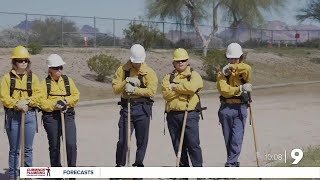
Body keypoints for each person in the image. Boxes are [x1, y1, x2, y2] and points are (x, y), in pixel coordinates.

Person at [112, 44, 158, 167]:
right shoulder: (122, 70)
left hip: (143, 109)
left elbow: (152, 91)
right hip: (127, 108)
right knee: (123, 140)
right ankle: (120, 166)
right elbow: (116, 89)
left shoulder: (149, 72)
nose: (137, 64)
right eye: (135, 62)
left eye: (139, 62)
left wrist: (135, 91)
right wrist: (125, 82)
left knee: (142, 141)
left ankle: (138, 165)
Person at [0, 46, 41, 180]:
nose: (23, 63)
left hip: (29, 116)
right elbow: (4, 97)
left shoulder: (33, 78)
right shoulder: (7, 78)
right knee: (15, 150)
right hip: (13, 116)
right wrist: (16, 104)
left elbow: (38, 95)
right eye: (20, 60)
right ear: (14, 62)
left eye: (26, 60)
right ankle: (13, 176)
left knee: (28, 149)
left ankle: (27, 176)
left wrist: (28, 102)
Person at [162, 48, 204, 167]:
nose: (181, 62)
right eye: (178, 60)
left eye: (183, 60)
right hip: (172, 116)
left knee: (193, 144)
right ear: (174, 62)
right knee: (178, 145)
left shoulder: (194, 75)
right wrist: (183, 90)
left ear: (187, 61)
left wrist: (175, 87)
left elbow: (191, 89)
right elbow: (166, 94)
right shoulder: (168, 77)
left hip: (190, 114)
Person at [40, 54, 80, 174]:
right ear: (50, 69)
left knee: (71, 144)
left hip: (67, 114)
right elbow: (41, 101)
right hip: (51, 116)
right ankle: (57, 173)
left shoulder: (68, 80)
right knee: (54, 146)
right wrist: (55, 104)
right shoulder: (44, 83)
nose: (59, 70)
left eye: (61, 67)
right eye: (56, 68)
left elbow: (76, 95)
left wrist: (66, 102)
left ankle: (71, 172)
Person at [217, 43, 253, 167]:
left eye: (236, 58)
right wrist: (240, 89)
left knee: (237, 138)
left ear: (240, 58)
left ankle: (231, 164)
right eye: (231, 58)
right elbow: (224, 91)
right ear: (227, 58)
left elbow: (247, 69)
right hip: (225, 108)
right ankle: (233, 162)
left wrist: (233, 69)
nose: (233, 60)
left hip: (240, 108)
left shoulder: (244, 69)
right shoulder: (221, 74)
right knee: (229, 140)